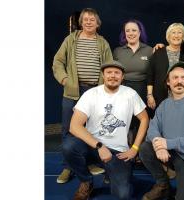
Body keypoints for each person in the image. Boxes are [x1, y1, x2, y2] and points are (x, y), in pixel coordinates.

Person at [63, 60, 149, 200]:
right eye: (109, 72)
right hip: (93, 147)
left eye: (117, 73)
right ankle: (86, 181)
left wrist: (134, 148)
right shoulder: (91, 94)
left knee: (123, 194)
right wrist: (99, 146)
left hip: (118, 152)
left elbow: (145, 119)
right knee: (68, 146)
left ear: (122, 77)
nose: (113, 76)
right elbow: (74, 126)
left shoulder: (130, 94)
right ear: (103, 75)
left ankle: (115, 173)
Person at [52, 8, 113, 184]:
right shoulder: (71, 39)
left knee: (91, 129)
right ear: (81, 22)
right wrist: (64, 79)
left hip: (95, 93)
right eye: (85, 19)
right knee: (67, 129)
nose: (88, 22)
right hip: (73, 92)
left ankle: (89, 162)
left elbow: (108, 65)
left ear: (97, 23)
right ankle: (67, 166)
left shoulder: (102, 43)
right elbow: (58, 61)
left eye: (92, 20)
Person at [139, 62, 184, 200]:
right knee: (145, 149)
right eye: (175, 77)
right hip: (171, 154)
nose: (179, 81)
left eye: (183, 78)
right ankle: (163, 185)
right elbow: (153, 129)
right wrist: (158, 145)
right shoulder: (164, 105)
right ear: (168, 82)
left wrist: (167, 143)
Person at [113, 19, 153, 144]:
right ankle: (126, 149)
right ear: (124, 33)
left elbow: (153, 74)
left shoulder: (149, 50)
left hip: (143, 89)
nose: (131, 33)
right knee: (125, 121)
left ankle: (140, 152)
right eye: (127, 30)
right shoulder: (118, 51)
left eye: (134, 30)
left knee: (141, 121)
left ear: (140, 32)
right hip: (123, 89)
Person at [147, 23, 184, 113]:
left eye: (179, 32)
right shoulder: (158, 52)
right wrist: (150, 95)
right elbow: (150, 75)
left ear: (183, 36)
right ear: (168, 36)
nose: (176, 35)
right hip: (159, 98)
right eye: (173, 32)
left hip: (180, 99)